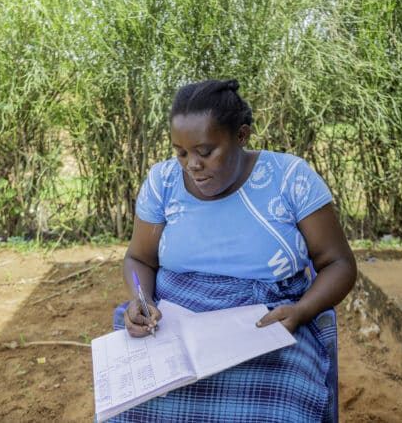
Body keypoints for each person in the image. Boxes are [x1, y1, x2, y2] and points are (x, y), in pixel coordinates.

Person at [115, 79, 357, 422]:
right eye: (181, 153)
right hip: (174, 322)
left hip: (269, 322)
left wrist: (302, 310)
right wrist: (142, 299)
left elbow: (338, 263)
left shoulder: (289, 178)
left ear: (241, 136)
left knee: (279, 404)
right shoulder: (163, 183)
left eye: (205, 151)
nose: (191, 165)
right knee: (137, 402)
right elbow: (139, 258)